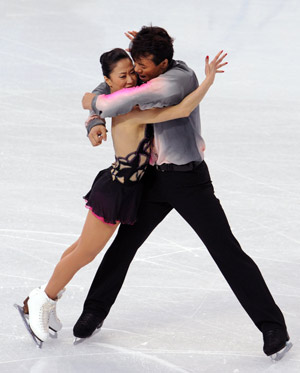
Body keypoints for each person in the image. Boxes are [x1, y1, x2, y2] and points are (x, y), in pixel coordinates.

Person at [76, 26, 290, 358]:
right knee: (124, 246)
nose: (137, 72)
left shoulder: (173, 81)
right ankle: (94, 311)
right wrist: (94, 118)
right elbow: (114, 82)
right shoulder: (152, 72)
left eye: (143, 66)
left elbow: (115, 99)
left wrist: (90, 103)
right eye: (135, 64)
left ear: (162, 64)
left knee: (226, 251)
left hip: (188, 182)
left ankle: (272, 327)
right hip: (152, 179)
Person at [21, 46, 227, 344]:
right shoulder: (128, 109)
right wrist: (207, 81)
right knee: (86, 252)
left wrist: (140, 47)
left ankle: (47, 298)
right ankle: (42, 300)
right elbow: (180, 109)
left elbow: (141, 83)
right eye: (123, 76)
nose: (131, 79)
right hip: (116, 190)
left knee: (81, 247)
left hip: (131, 188)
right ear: (109, 81)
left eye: (132, 71)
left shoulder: (133, 100)